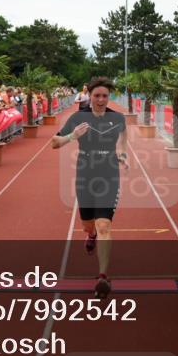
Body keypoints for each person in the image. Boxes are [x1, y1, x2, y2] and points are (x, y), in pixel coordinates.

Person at [51, 77, 128, 299]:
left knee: (105, 224)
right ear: (89, 96)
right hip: (85, 176)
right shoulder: (78, 117)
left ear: (108, 97)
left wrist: (122, 156)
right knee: (88, 224)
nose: (101, 99)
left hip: (109, 175)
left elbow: (123, 142)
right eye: (97, 95)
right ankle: (90, 234)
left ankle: (102, 275)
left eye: (105, 95)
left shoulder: (118, 118)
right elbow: (54, 143)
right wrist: (72, 136)